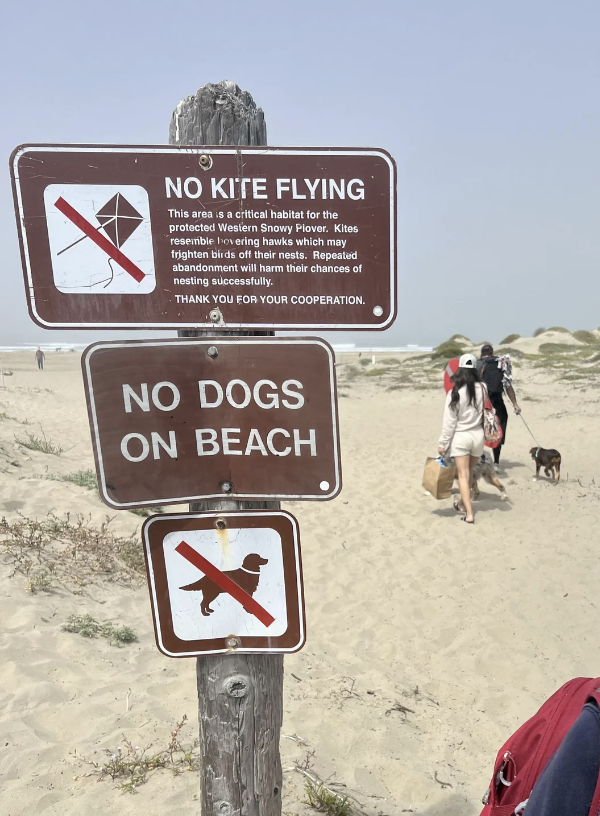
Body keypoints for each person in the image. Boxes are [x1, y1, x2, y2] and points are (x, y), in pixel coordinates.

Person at [438, 353, 485, 524]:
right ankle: (464, 505)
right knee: (469, 473)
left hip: (462, 437)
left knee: (463, 476)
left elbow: (449, 423)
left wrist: (443, 444)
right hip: (478, 437)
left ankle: (469, 514)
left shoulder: (454, 393)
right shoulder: (483, 388)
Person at [476, 344, 520, 471]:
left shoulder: (477, 365)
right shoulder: (501, 364)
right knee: (499, 430)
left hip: (482, 404)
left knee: (479, 431)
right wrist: (515, 404)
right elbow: (507, 386)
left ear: (481, 353)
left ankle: (479, 459)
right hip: (498, 404)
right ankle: (496, 463)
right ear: (492, 352)